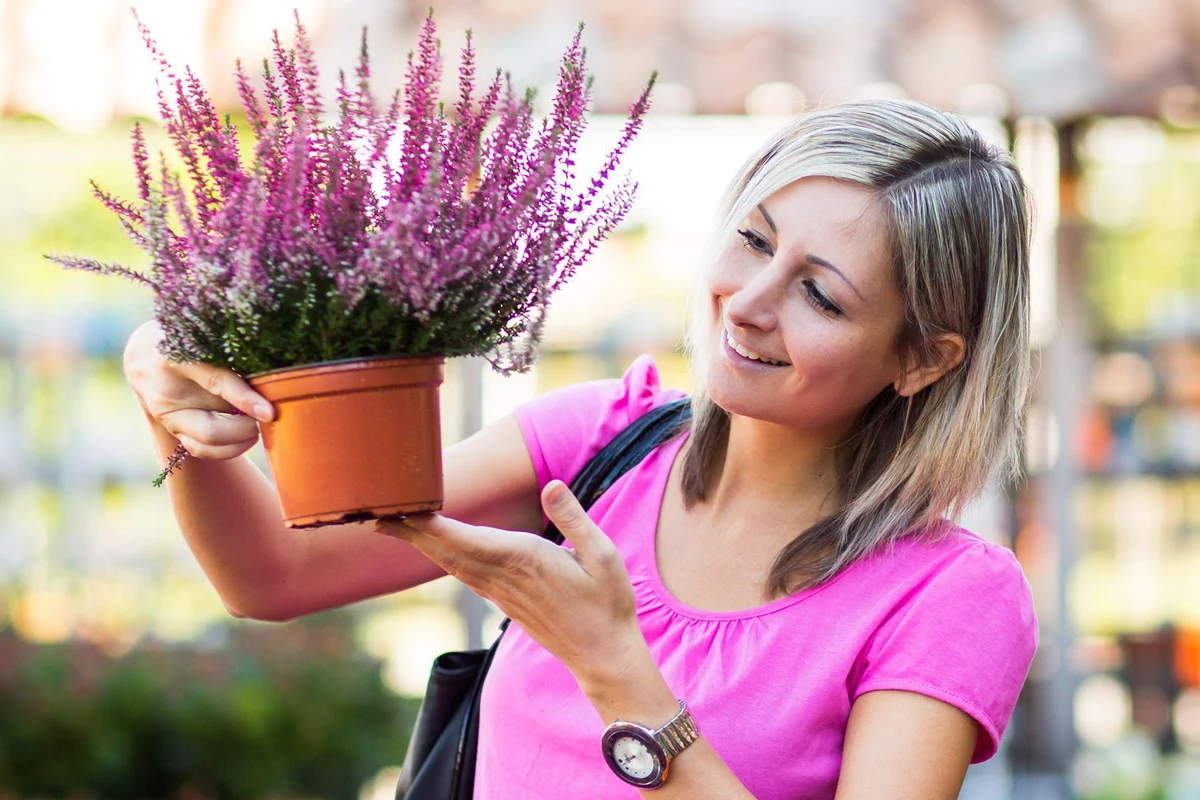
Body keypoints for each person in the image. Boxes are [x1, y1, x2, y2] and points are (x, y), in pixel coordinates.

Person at [123, 98, 1038, 799]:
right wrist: (173, 410)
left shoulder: (949, 597)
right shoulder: (603, 444)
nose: (749, 301)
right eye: (752, 242)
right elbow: (275, 576)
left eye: (821, 296)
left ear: (922, 358)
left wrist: (616, 669)